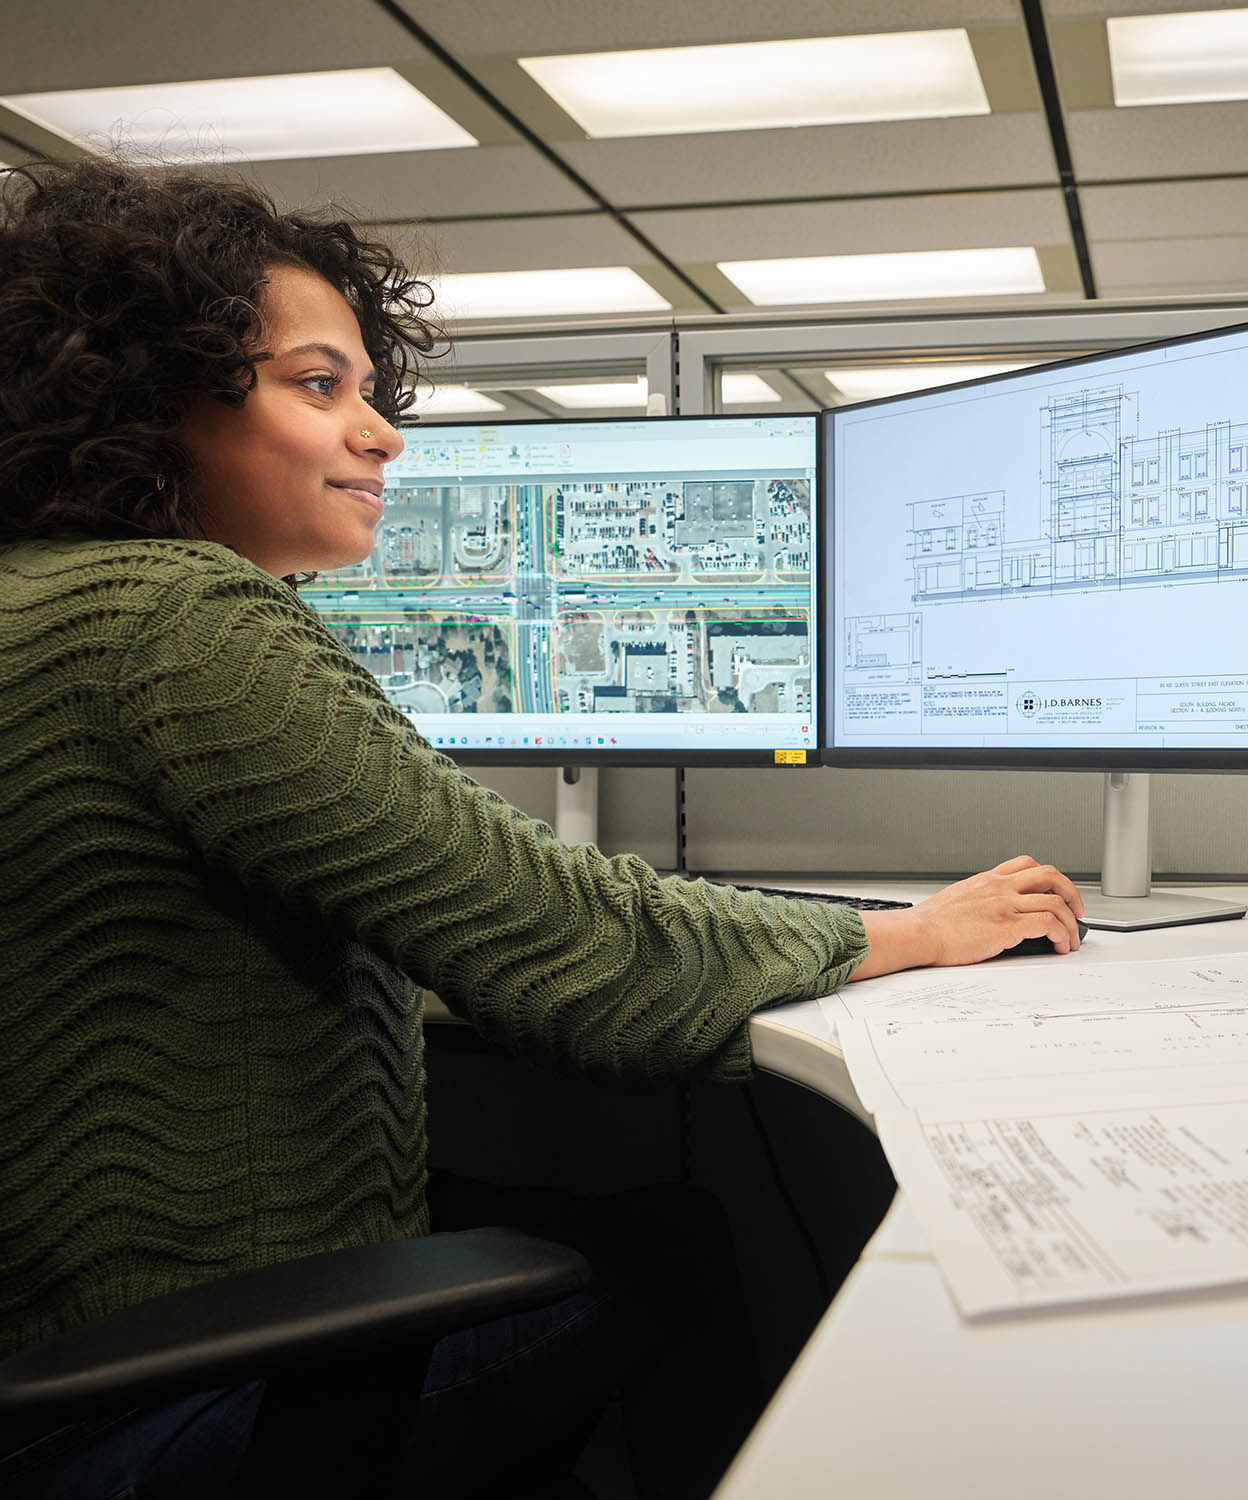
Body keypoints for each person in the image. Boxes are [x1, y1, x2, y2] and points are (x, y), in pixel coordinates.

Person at [0, 157, 1084, 1497]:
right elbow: (571, 948)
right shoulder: (174, 623)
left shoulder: (41, 602)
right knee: (683, 1243)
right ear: (151, 397)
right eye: (321, 385)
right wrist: (915, 929)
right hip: (158, 1398)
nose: (385, 434)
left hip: (66, 1354)